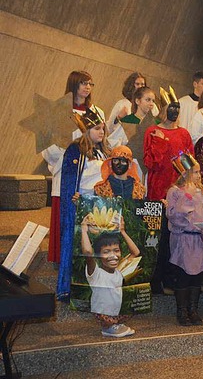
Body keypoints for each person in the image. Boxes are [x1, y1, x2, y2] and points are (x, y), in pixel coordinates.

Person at [44, 71, 107, 264]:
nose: (87, 87)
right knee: (65, 215)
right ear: (73, 85)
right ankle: (61, 258)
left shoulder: (97, 111)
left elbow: (103, 141)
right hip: (67, 169)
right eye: (83, 83)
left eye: (90, 83)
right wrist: (67, 149)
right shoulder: (60, 110)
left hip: (89, 173)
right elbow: (48, 143)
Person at [57, 108, 111, 301]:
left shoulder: (104, 151)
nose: (102, 132)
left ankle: (97, 290)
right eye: (97, 128)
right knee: (81, 248)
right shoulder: (76, 149)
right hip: (82, 205)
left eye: (103, 129)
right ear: (86, 130)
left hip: (101, 205)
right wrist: (74, 197)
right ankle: (71, 288)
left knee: (99, 248)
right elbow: (70, 181)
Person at [144, 87, 194, 294]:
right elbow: (150, 163)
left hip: (178, 194)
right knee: (157, 238)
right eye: (170, 107)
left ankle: (172, 277)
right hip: (157, 192)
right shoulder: (152, 131)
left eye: (177, 107)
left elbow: (189, 165)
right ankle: (154, 280)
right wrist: (160, 143)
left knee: (176, 238)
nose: (174, 111)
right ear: (163, 109)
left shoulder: (184, 133)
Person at [166, 153, 203, 326]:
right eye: (195, 172)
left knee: (197, 278)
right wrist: (187, 197)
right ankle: (182, 311)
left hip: (199, 240)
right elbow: (173, 216)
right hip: (184, 241)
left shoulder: (202, 191)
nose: (199, 176)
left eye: (199, 172)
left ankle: (193, 309)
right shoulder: (175, 192)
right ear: (185, 173)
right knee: (183, 276)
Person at [80, 214, 140, 337]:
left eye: (116, 250)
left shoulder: (119, 271)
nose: (113, 255)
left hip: (115, 311)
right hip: (103, 314)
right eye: (106, 252)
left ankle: (115, 324)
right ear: (98, 256)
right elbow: (87, 252)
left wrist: (122, 231)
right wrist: (84, 230)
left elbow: (136, 253)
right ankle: (108, 328)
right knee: (108, 316)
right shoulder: (96, 273)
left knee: (130, 309)